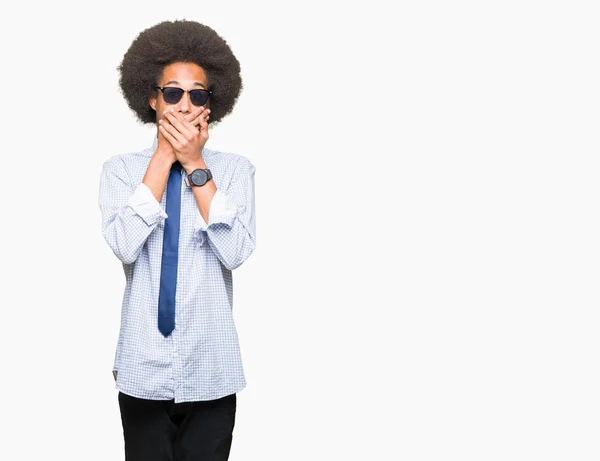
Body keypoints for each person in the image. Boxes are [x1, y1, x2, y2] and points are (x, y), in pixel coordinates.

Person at [98, 19, 256, 461]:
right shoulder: (120, 171)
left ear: (211, 103)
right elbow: (125, 243)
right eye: (173, 93)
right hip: (142, 369)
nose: (184, 105)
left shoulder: (236, 171)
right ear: (152, 98)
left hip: (212, 370)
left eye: (197, 95)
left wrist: (195, 165)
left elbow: (237, 251)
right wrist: (166, 156)